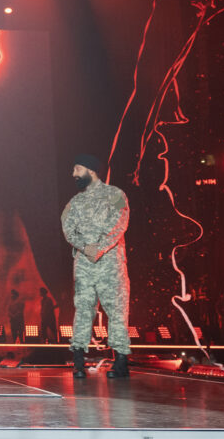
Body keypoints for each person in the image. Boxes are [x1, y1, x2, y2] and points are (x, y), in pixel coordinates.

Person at [61, 153, 131, 378]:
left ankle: (120, 361)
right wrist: (86, 247)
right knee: (83, 309)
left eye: (77, 169)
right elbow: (68, 229)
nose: (73, 174)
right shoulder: (75, 202)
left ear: (91, 171)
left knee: (117, 309)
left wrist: (100, 247)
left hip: (110, 264)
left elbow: (121, 221)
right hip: (84, 266)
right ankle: (78, 360)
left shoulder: (115, 194)